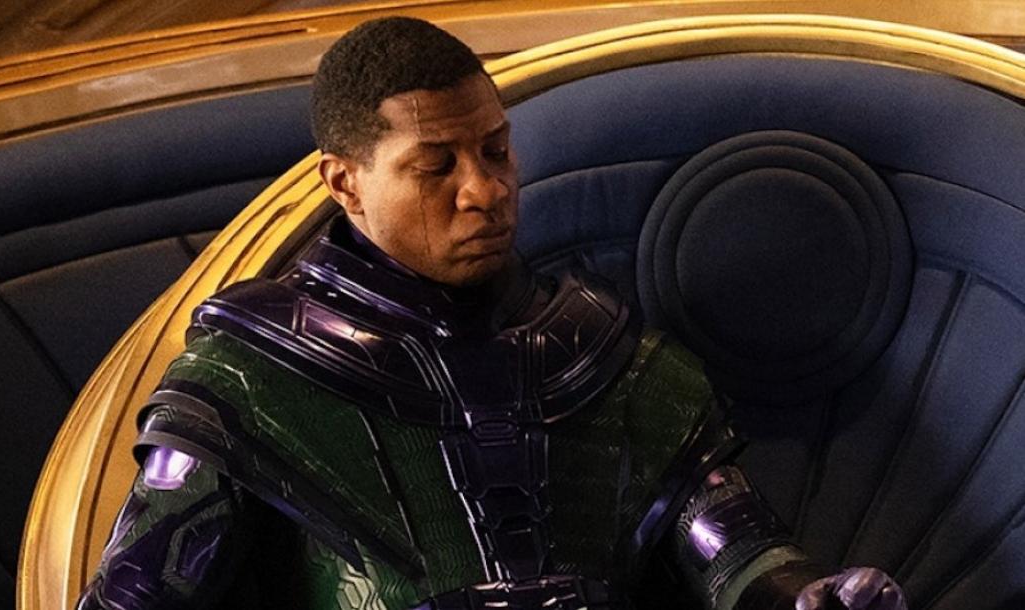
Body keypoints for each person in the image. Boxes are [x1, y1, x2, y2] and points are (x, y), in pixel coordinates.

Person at [77, 16, 907, 610]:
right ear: (345, 183)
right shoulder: (248, 379)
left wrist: (810, 594)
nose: (486, 190)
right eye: (435, 166)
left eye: (496, 150)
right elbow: (138, 591)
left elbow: (731, 548)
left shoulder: (606, 355)